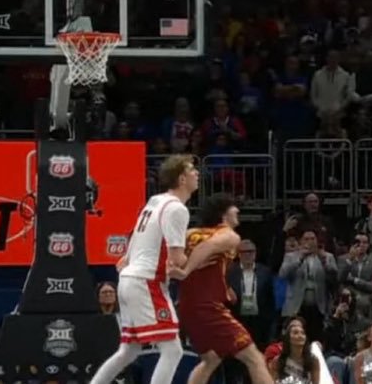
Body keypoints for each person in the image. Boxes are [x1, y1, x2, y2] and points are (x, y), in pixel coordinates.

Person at [90, 154, 200, 384]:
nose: (197, 173)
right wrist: (202, 254)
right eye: (192, 170)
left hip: (130, 278)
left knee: (128, 351)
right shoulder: (177, 209)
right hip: (146, 281)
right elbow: (177, 259)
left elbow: (130, 249)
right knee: (173, 350)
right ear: (182, 179)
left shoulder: (155, 201)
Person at [174, 194, 274, 384]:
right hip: (208, 308)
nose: (238, 210)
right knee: (255, 358)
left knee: (211, 359)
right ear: (224, 213)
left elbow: (174, 256)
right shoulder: (229, 235)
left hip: (187, 307)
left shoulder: (190, 233)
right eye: (234, 207)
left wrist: (224, 286)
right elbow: (207, 247)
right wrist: (187, 270)